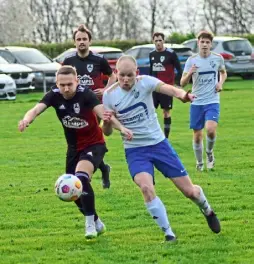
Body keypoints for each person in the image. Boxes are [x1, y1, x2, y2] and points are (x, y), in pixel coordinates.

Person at [102, 55, 221, 242]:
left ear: (137, 73)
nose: (125, 80)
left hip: (159, 145)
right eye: (122, 75)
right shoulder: (109, 95)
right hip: (135, 151)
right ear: (116, 73)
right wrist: (108, 123)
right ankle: (168, 233)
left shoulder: (145, 83)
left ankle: (208, 210)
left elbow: (168, 88)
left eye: (130, 75)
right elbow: (107, 131)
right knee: (146, 188)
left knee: (191, 192)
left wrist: (184, 95)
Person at [18, 65, 117, 239]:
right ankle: (97, 222)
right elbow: (36, 109)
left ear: (76, 81)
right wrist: (26, 120)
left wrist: (113, 121)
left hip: (94, 144)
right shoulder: (54, 95)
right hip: (73, 149)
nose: (65, 88)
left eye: (69, 84)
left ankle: (89, 226)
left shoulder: (86, 94)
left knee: (81, 178)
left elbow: (101, 111)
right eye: (62, 84)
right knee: (72, 192)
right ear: (57, 83)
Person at [63, 24, 117, 189]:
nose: (81, 42)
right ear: (74, 42)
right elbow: (61, 80)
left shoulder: (98, 60)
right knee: (82, 143)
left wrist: (106, 89)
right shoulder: (69, 61)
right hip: (76, 109)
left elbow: (113, 76)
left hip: (95, 107)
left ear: (90, 41)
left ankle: (92, 169)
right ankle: (103, 168)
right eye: (78, 39)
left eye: (84, 39)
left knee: (94, 141)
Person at [180, 31, 227, 171]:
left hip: (212, 100)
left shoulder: (217, 58)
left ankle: (209, 153)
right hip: (196, 102)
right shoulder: (191, 61)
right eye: (202, 42)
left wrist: (220, 83)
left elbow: (223, 73)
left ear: (211, 44)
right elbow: (182, 83)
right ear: (198, 43)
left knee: (211, 130)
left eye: (207, 42)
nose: (205, 44)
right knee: (197, 135)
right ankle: (200, 163)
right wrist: (190, 73)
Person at [149, 32, 182, 138]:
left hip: (167, 88)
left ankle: (166, 137)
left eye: (160, 40)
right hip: (154, 88)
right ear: (153, 41)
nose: (158, 43)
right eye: (156, 41)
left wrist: (176, 83)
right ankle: (152, 133)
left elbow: (179, 69)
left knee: (166, 112)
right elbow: (151, 70)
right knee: (150, 110)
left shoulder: (171, 54)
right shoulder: (152, 54)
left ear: (164, 41)